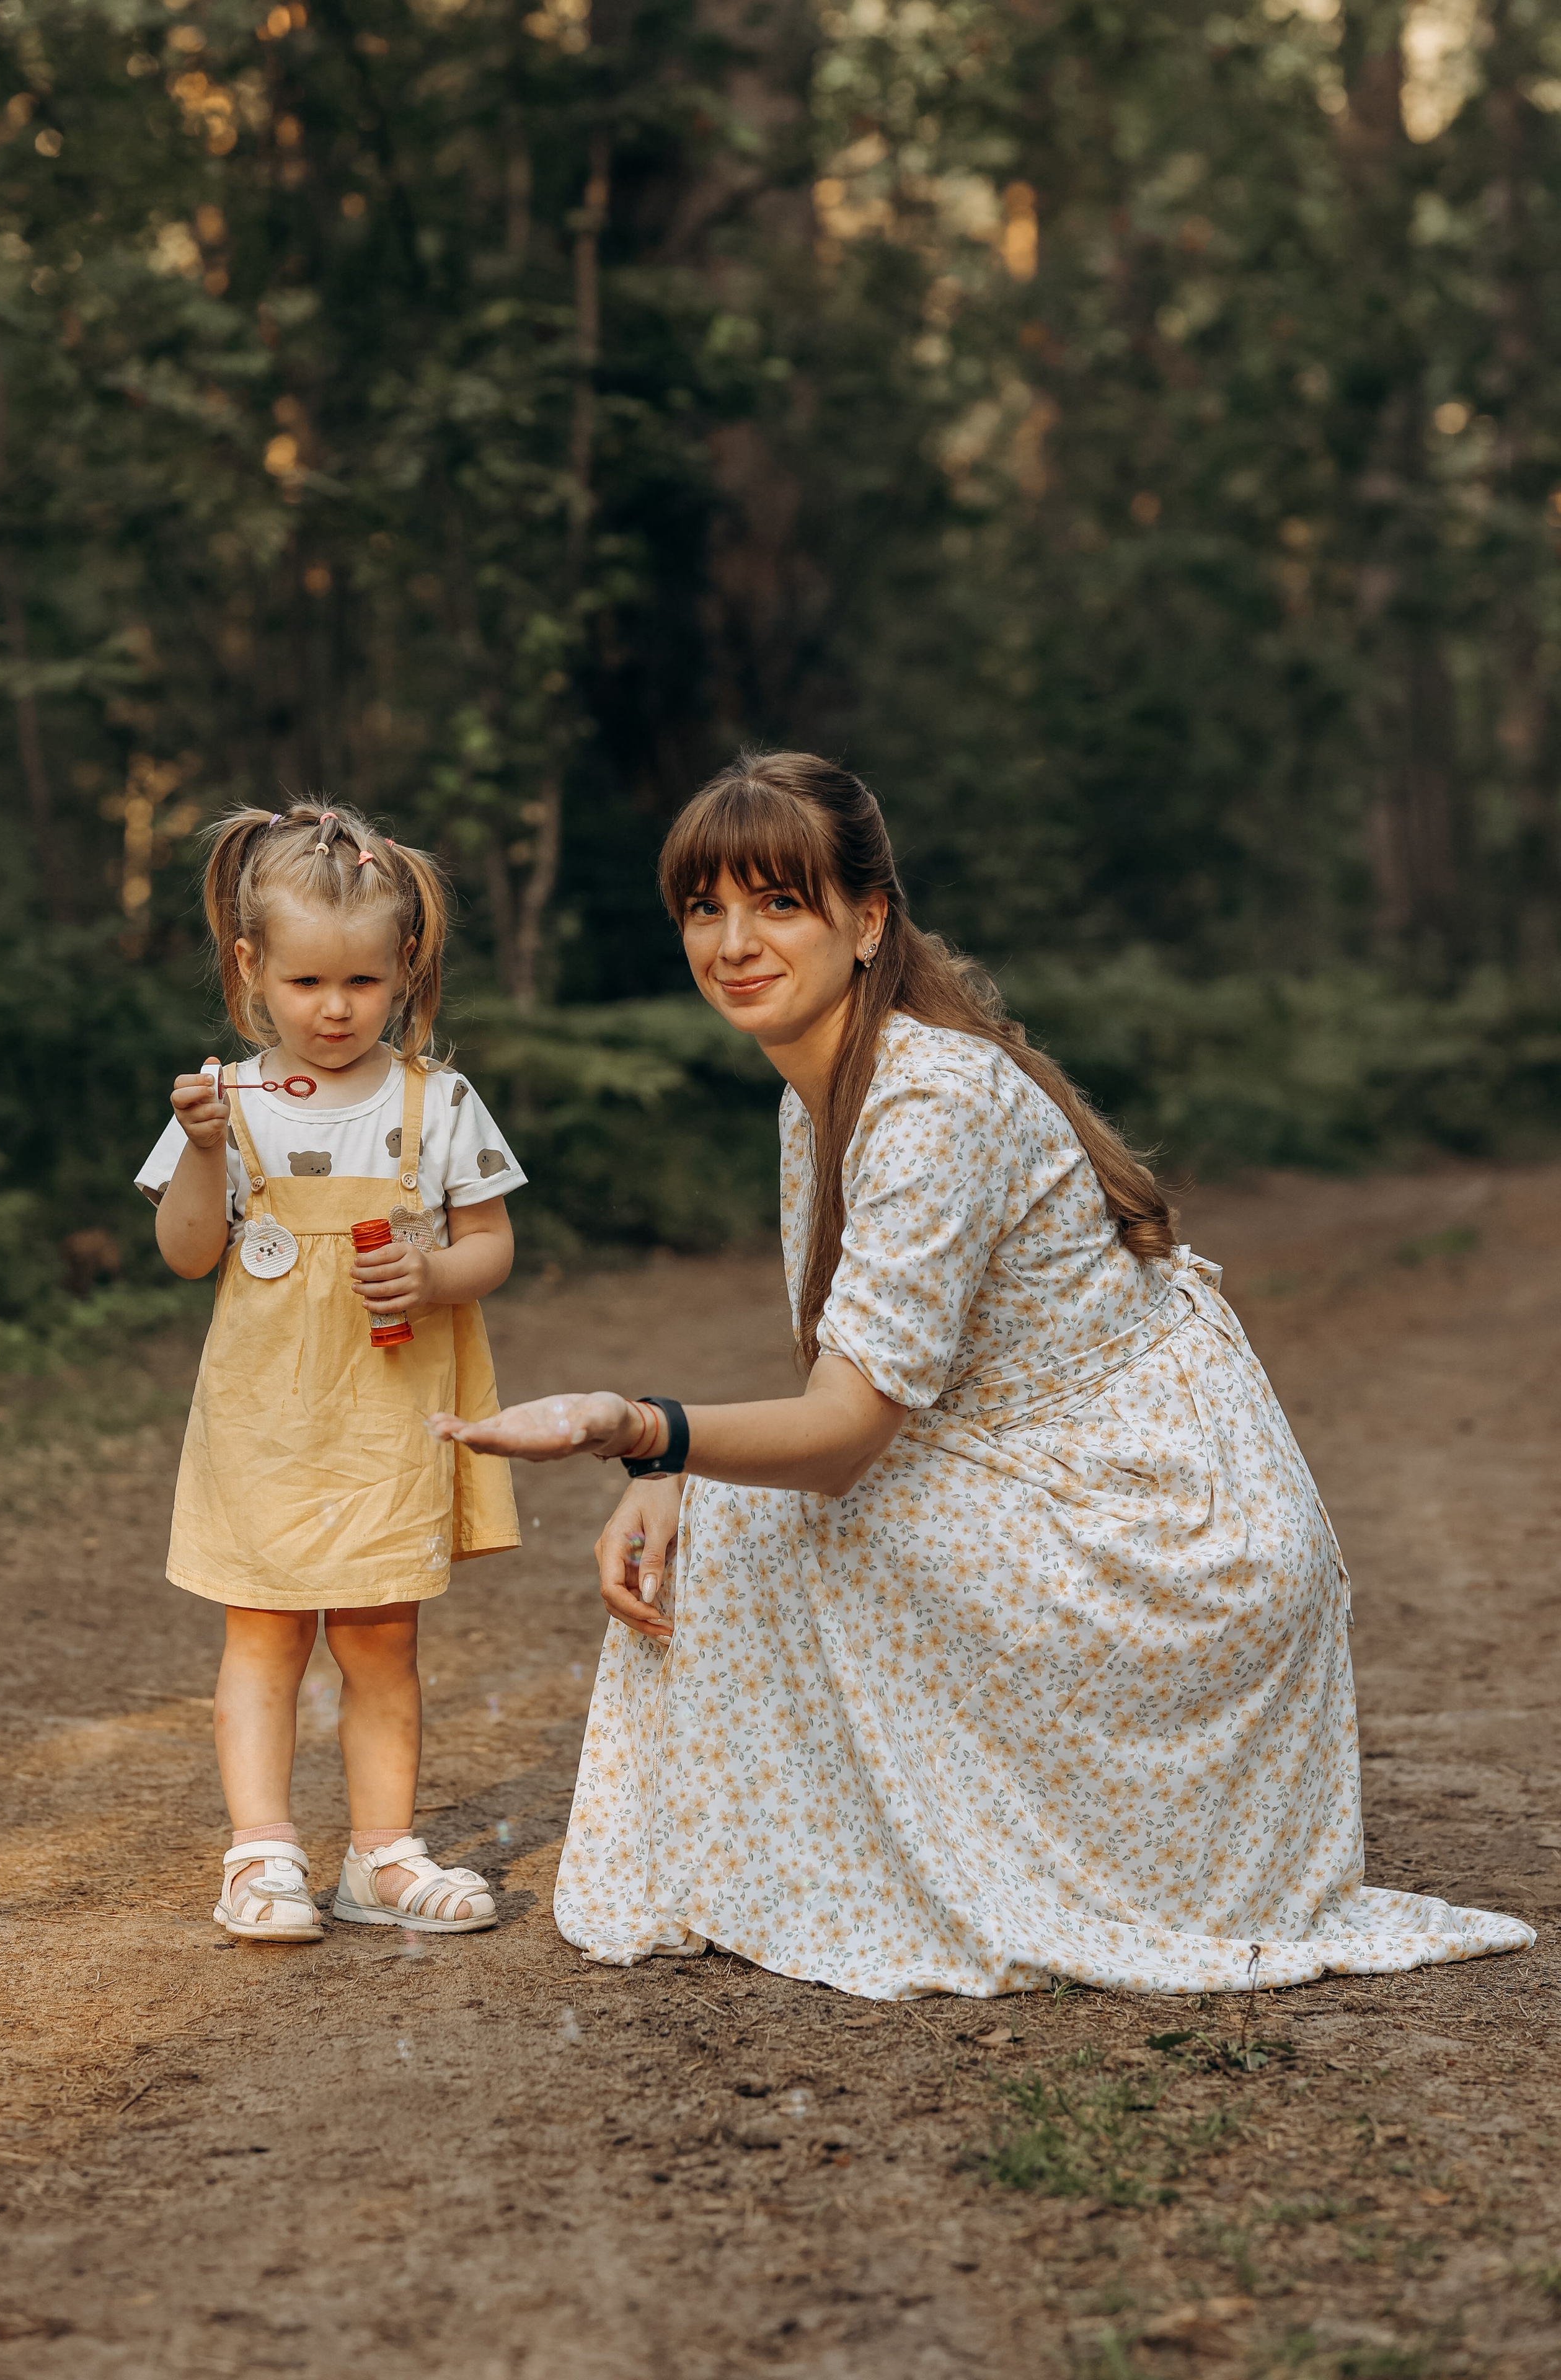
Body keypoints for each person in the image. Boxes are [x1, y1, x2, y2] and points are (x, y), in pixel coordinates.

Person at [433, 753, 1532, 1999]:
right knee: (738, 1511)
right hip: (1066, 1479)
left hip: (1171, 1533)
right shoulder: (819, 1095)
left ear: (866, 922)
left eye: (777, 902)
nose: (733, 942)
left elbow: (844, 1437)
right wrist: (680, 1474)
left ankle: (887, 1871)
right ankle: (813, 1863)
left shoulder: (929, 1098)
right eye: (704, 907)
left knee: (776, 1519)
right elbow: (856, 1377)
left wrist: (636, 1431)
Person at [139, 803, 523, 1943]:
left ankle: (381, 1858)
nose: (337, 1007)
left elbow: (492, 1248)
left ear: (404, 969)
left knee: (378, 1638)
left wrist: (437, 1275)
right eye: (308, 983)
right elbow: (188, 1252)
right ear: (251, 971)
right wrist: (206, 1151)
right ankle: (260, 1856)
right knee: (263, 1632)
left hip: (385, 1417)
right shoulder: (226, 1103)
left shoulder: (436, 1100)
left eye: (362, 980)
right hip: (267, 1418)